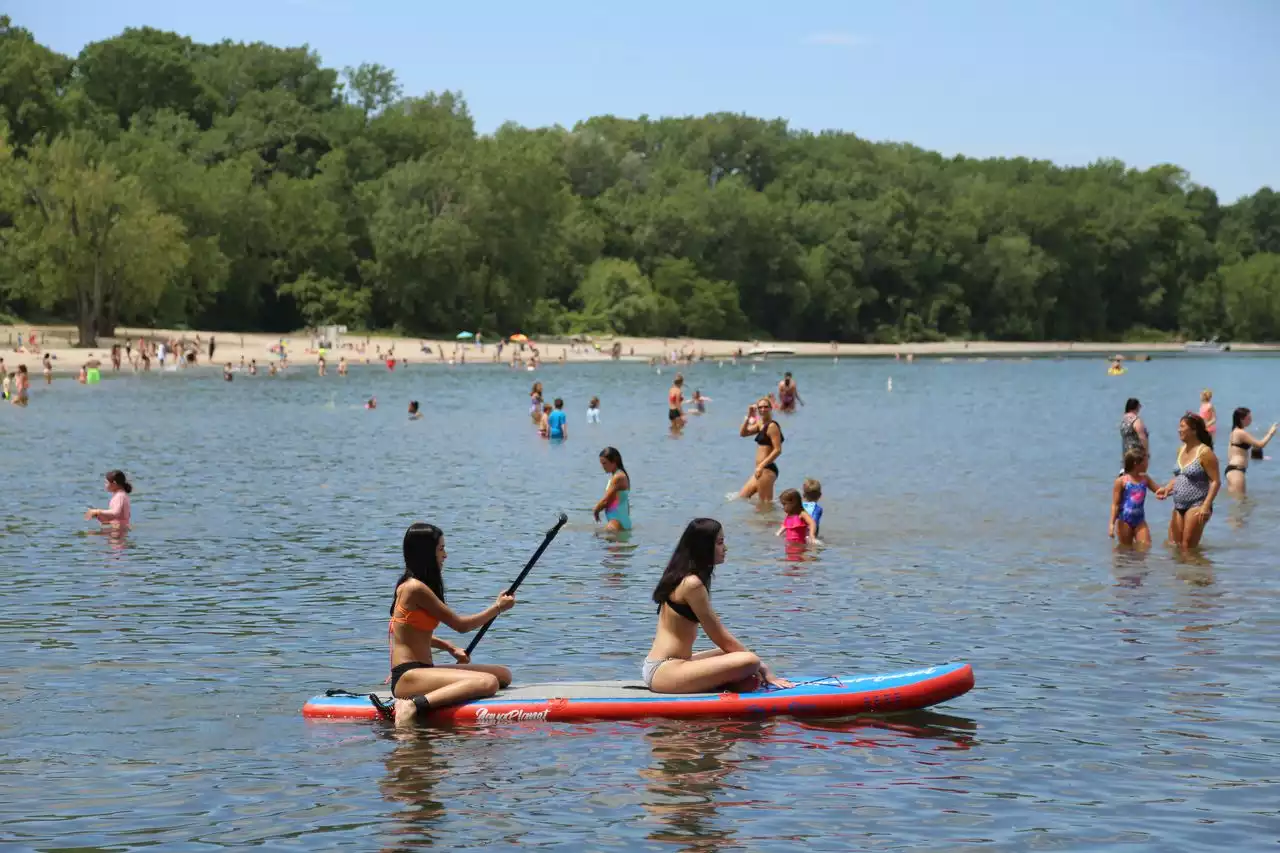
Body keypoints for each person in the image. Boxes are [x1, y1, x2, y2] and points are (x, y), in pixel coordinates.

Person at [369, 523, 517, 726]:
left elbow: (409, 632)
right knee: (488, 682)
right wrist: (497, 608)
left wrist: (450, 647)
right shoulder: (414, 588)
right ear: (426, 553)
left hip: (423, 670)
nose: (445, 555)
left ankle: (423, 700)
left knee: (502, 675)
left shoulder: (416, 586)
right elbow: (461, 626)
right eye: (441, 549)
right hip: (408, 676)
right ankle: (413, 705)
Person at [642, 518, 792, 693]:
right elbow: (719, 636)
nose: (725, 548)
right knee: (749, 660)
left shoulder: (682, 576)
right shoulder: (692, 584)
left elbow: (724, 644)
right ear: (704, 546)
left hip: (671, 665)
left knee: (734, 659)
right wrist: (764, 669)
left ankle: (734, 683)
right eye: (720, 542)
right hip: (664, 671)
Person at [1159, 414, 1220, 549]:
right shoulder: (1180, 450)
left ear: (1194, 430)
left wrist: (1206, 505)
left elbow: (1215, 481)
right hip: (1179, 504)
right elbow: (1180, 476)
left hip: (1197, 504)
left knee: (1188, 548)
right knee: (1174, 546)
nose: (1178, 430)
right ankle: (1181, 571)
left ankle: (1196, 570)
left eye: (1182, 427)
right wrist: (1167, 488)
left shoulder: (1205, 452)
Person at [1109, 449, 1162, 546]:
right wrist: (1112, 524)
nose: (1147, 465)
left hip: (1140, 520)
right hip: (1124, 520)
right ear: (1136, 463)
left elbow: (1159, 491)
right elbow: (1115, 504)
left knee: (1146, 546)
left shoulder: (1145, 479)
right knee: (1125, 550)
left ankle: (1139, 561)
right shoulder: (1121, 481)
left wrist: (1172, 489)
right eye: (1145, 462)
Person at [738, 397, 783, 502]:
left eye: (766, 407)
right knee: (742, 497)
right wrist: (749, 416)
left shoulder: (772, 426)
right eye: (760, 407)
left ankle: (773, 518)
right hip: (760, 469)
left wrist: (761, 466)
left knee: (765, 504)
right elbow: (743, 433)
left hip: (766, 469)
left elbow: (777, 450)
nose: (763, 409)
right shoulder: (760, 424)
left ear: (771, 408)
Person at [1224, 407, 1276, 494]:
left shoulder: (1234, 432)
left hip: (1233, 470)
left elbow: (1238, 452)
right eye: (1249, 418)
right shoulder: (1240, 433)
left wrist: (1259, 457)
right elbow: (1260, 444)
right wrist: (1271, 433)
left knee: (1239, 503)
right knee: (1240, 502)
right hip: (1237, 471)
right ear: (1241, 419)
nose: (1251, 420)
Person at [594, 446, 632, 531]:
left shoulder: (618, 477)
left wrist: (596, 510)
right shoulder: (618, 475)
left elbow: (605, 500)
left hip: (616, 521)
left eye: (604, 463)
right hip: (619, 520)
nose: (602, 467)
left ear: (614, 462)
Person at [1119, 398, 1149, 463]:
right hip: (1137, 455)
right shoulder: (1136, 420)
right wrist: (1146, 453)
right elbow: (1142, 438)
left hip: (1126, 454)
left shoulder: (1123, 420)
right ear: (1136, 407)